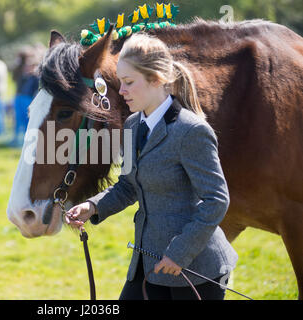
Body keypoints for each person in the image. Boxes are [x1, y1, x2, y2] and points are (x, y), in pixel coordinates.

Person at [65, 33, 238, 300]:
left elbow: (216, 200)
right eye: (121, 82)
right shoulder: (133, 125)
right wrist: (94, 205)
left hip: (197, 271)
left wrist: (180, 252)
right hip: (147, 266)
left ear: (156, 79)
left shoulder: (192, 131)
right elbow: (128, 185)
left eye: (129, 82)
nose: (121, 92)